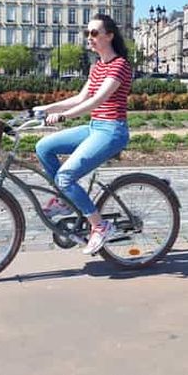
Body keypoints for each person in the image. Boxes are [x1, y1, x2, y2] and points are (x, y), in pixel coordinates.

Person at [33, 13, 133, 255]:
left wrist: (64, 117)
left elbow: (98, 100)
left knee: (65, 177)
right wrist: (46, 108)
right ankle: (65, 200)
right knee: (43, 147)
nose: (90, 38)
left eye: (95, 33)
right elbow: (81, 98)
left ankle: (100, 226)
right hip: (95, 127)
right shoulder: (97, 66)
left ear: (109, 36)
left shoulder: (120, 66)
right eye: (87, 33)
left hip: (112, 131)